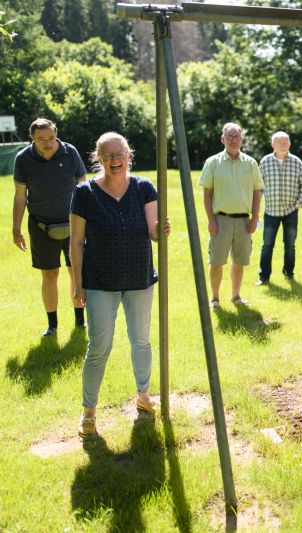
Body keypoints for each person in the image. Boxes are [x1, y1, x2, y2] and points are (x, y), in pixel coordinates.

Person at [70, 132, 170, 437]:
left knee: (141, 339)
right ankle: (89, 412)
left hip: (139, 277)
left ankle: (143, 396)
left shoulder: (143, 188)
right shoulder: (85, 193)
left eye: (120, 154)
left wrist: (159, 230)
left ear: (129, 155)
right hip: (100, 280)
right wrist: (77, 284)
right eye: (108, 156)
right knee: (99, 346)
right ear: (98, 159)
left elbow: (153, 232)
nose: (115, 161)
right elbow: (76, 242)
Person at [12, 118, 87, 336]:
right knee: (50, 275)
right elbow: (20, 197)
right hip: (41, 226)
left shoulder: (70, 152)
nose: (47, 144)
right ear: (32, 138)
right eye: (41, 139)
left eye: (51, 138)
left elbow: (83, 187)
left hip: (74, 225)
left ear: (56, 135)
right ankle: (52, 325)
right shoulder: (23, 159)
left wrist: (90, 221)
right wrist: (16, 230)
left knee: (76, 272)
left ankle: (80, 320)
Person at [198, 123, 263, 309]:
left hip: (244, 221)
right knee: (216, 260)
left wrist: (254, 218)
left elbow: (257, 192)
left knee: (239, 261)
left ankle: (235, 296)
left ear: (241, 139)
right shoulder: (213, 162)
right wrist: (211, 220)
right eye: (230, 136)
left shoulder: (251, 163)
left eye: (237, 136)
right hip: (220, 220)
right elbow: (207, 193)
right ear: (222, 139)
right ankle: (215, 298)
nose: (234, 140)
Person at [258, 131, 302, 284]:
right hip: (271, 212)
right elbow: (258, 187)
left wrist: (298, 204)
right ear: (273, 144)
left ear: (290, 144)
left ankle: (289, 273)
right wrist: (255, 208)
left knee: (290, 245)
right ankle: (264, 276)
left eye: (285, 142)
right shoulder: (265, 162)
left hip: (291, 212)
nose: (283, 145)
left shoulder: (297, 162)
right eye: (279, 142)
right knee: (267, 245)